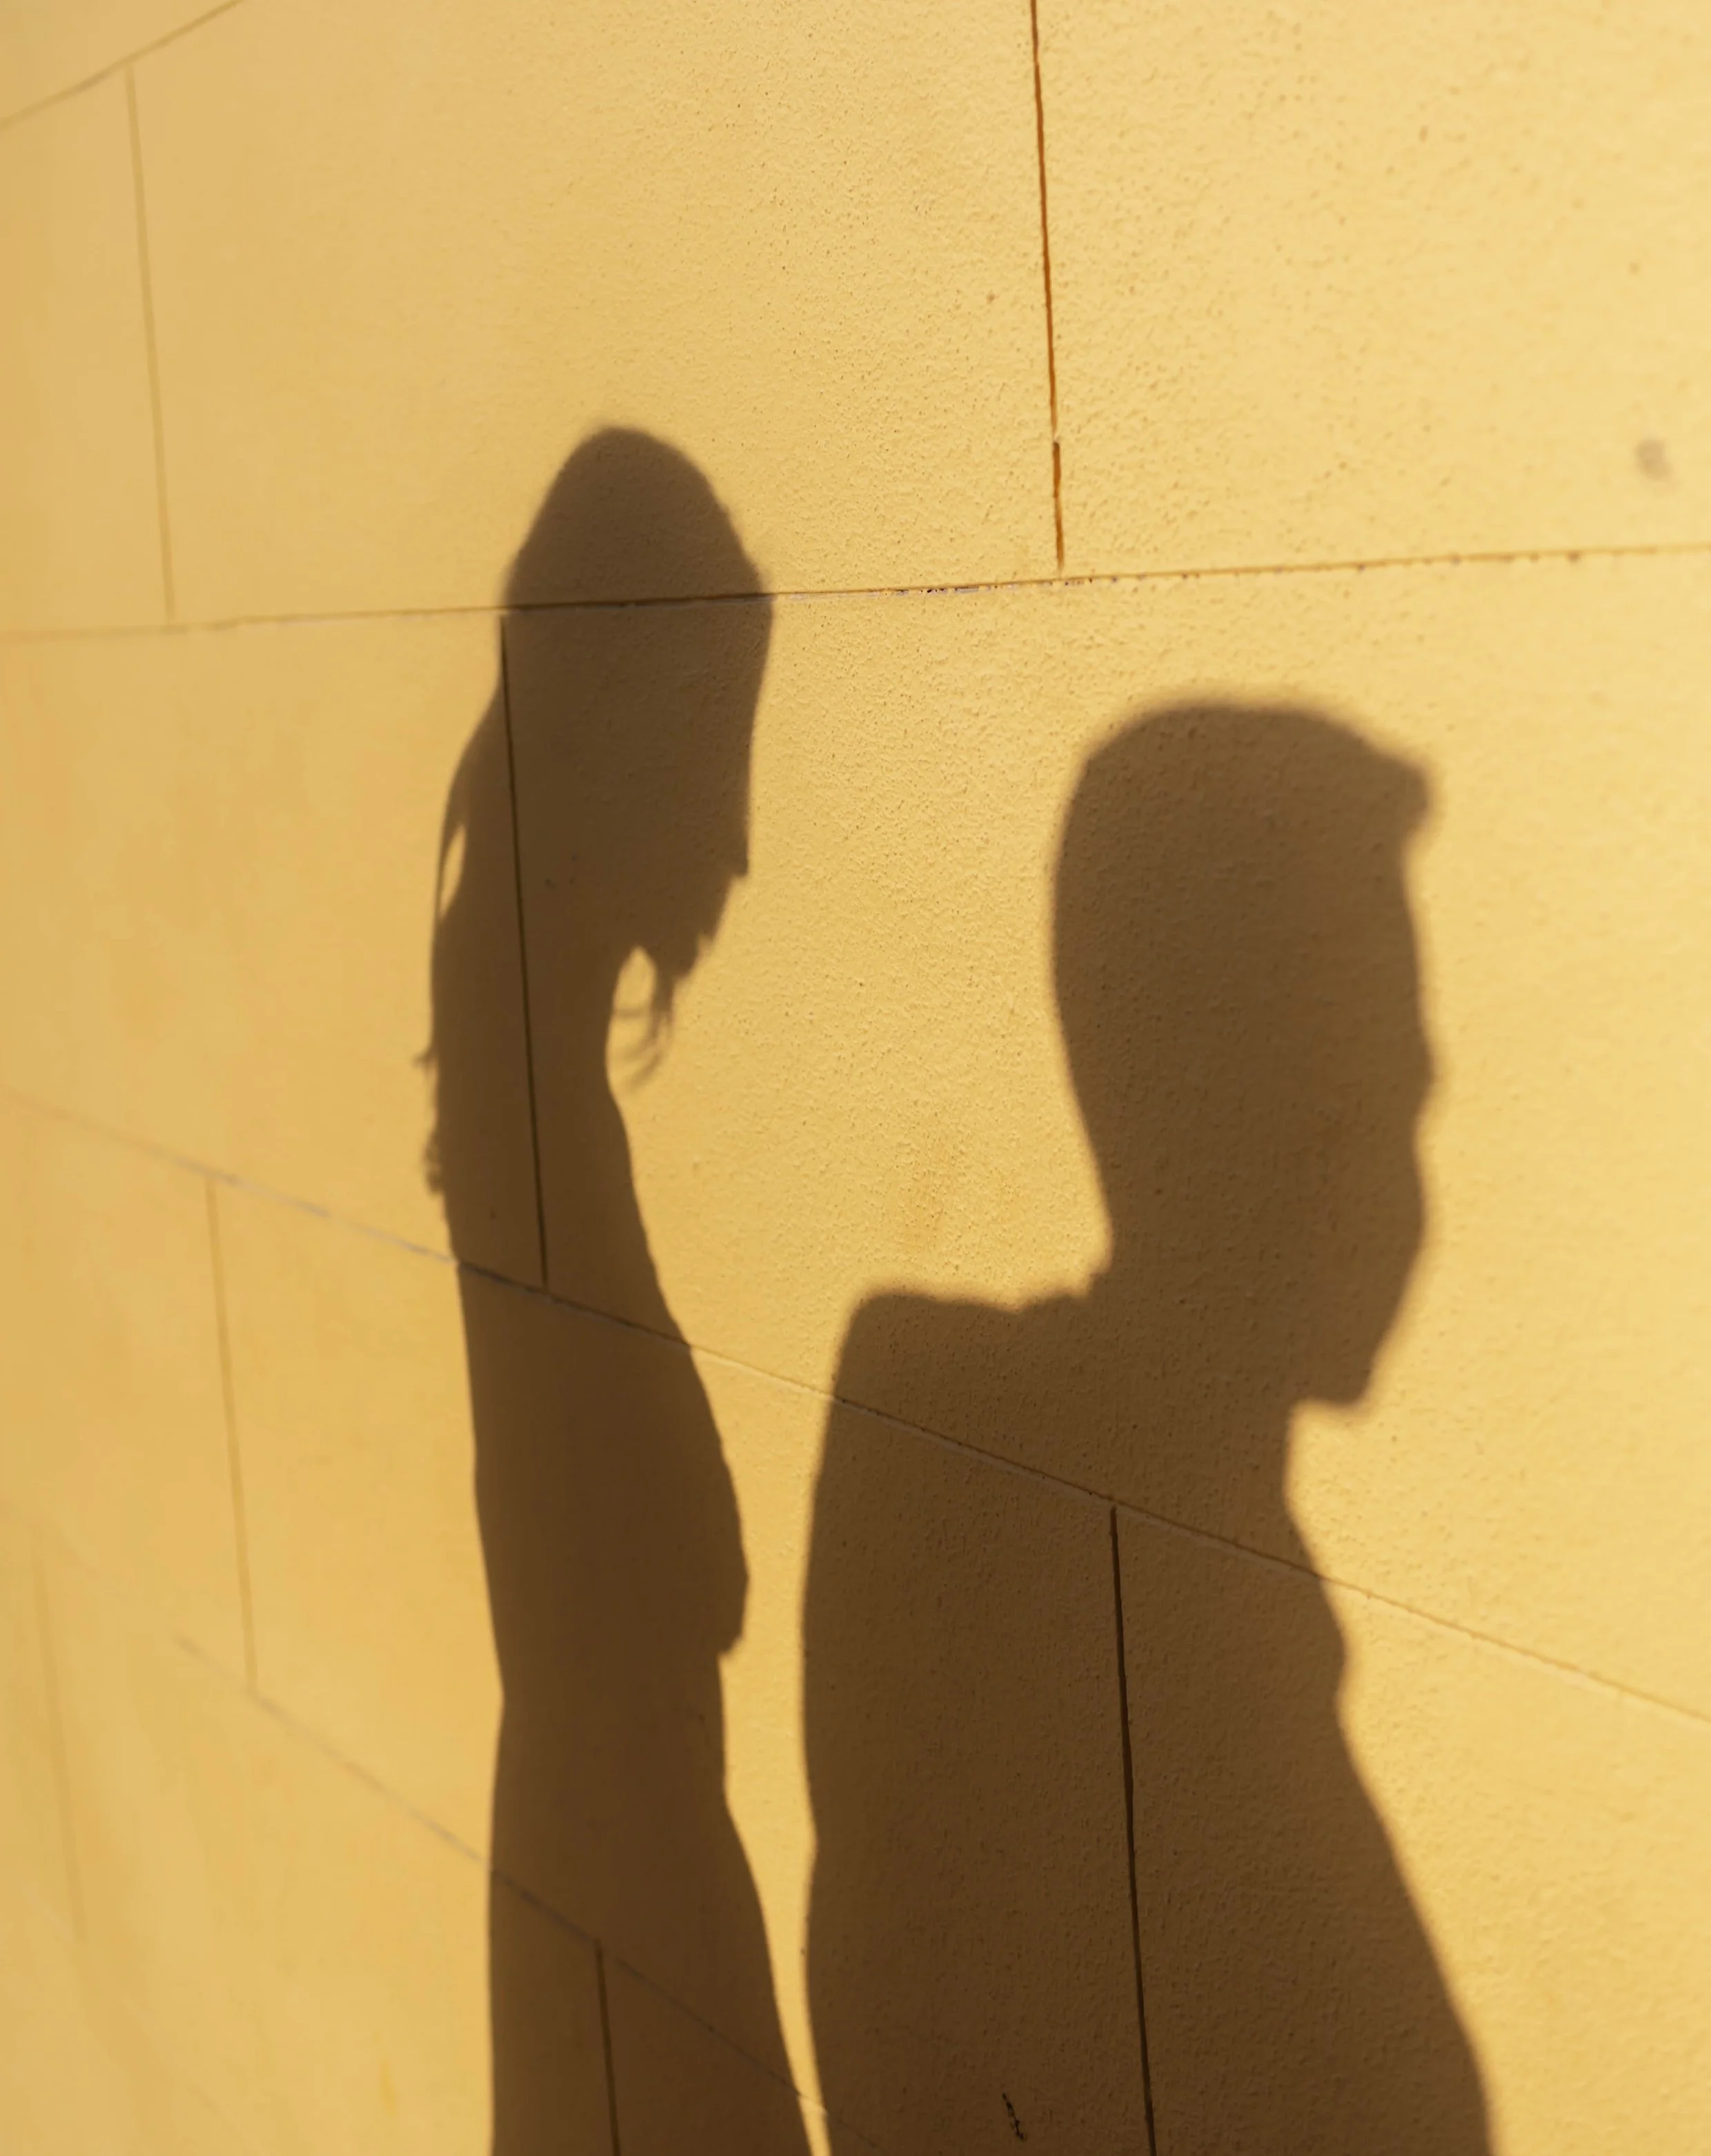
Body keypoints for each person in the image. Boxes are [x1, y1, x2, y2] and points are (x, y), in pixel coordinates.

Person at [805, 702, 1492, 2154]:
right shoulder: (1062, 1556)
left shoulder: (1140, 1524)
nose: (1400, 1198)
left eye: (1404, 1113)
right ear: (1187, 1105)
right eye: (1347, 1115)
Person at [428, 431, 808, 2152]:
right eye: (714, 757)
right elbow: (611, 1559)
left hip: (612, 1856)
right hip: (628, 1869)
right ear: (617, 742)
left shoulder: (516, 1043)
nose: (736, 839)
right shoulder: (527, 1080)